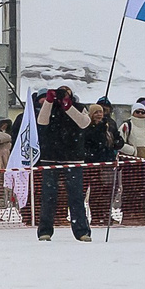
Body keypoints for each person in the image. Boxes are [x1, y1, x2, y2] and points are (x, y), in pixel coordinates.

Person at [32, 86, 93, 241]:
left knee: (76, 196)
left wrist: (68, 107)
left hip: (73, 158)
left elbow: (84, 123)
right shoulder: (49, 108)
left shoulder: (79, 108)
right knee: (48, 196)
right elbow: (42, 121)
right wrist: (49, 101)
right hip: (51, 157)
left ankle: (82, 231)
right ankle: (45, 231)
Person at [117, 102, 145, 223]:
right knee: (131, 189)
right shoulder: (127, 125)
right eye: (137, 112)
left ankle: (142, 213)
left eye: (142, 112)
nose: (140, 114)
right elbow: (120, 143)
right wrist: (133, 152)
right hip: (132, 165)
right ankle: (129, 214)